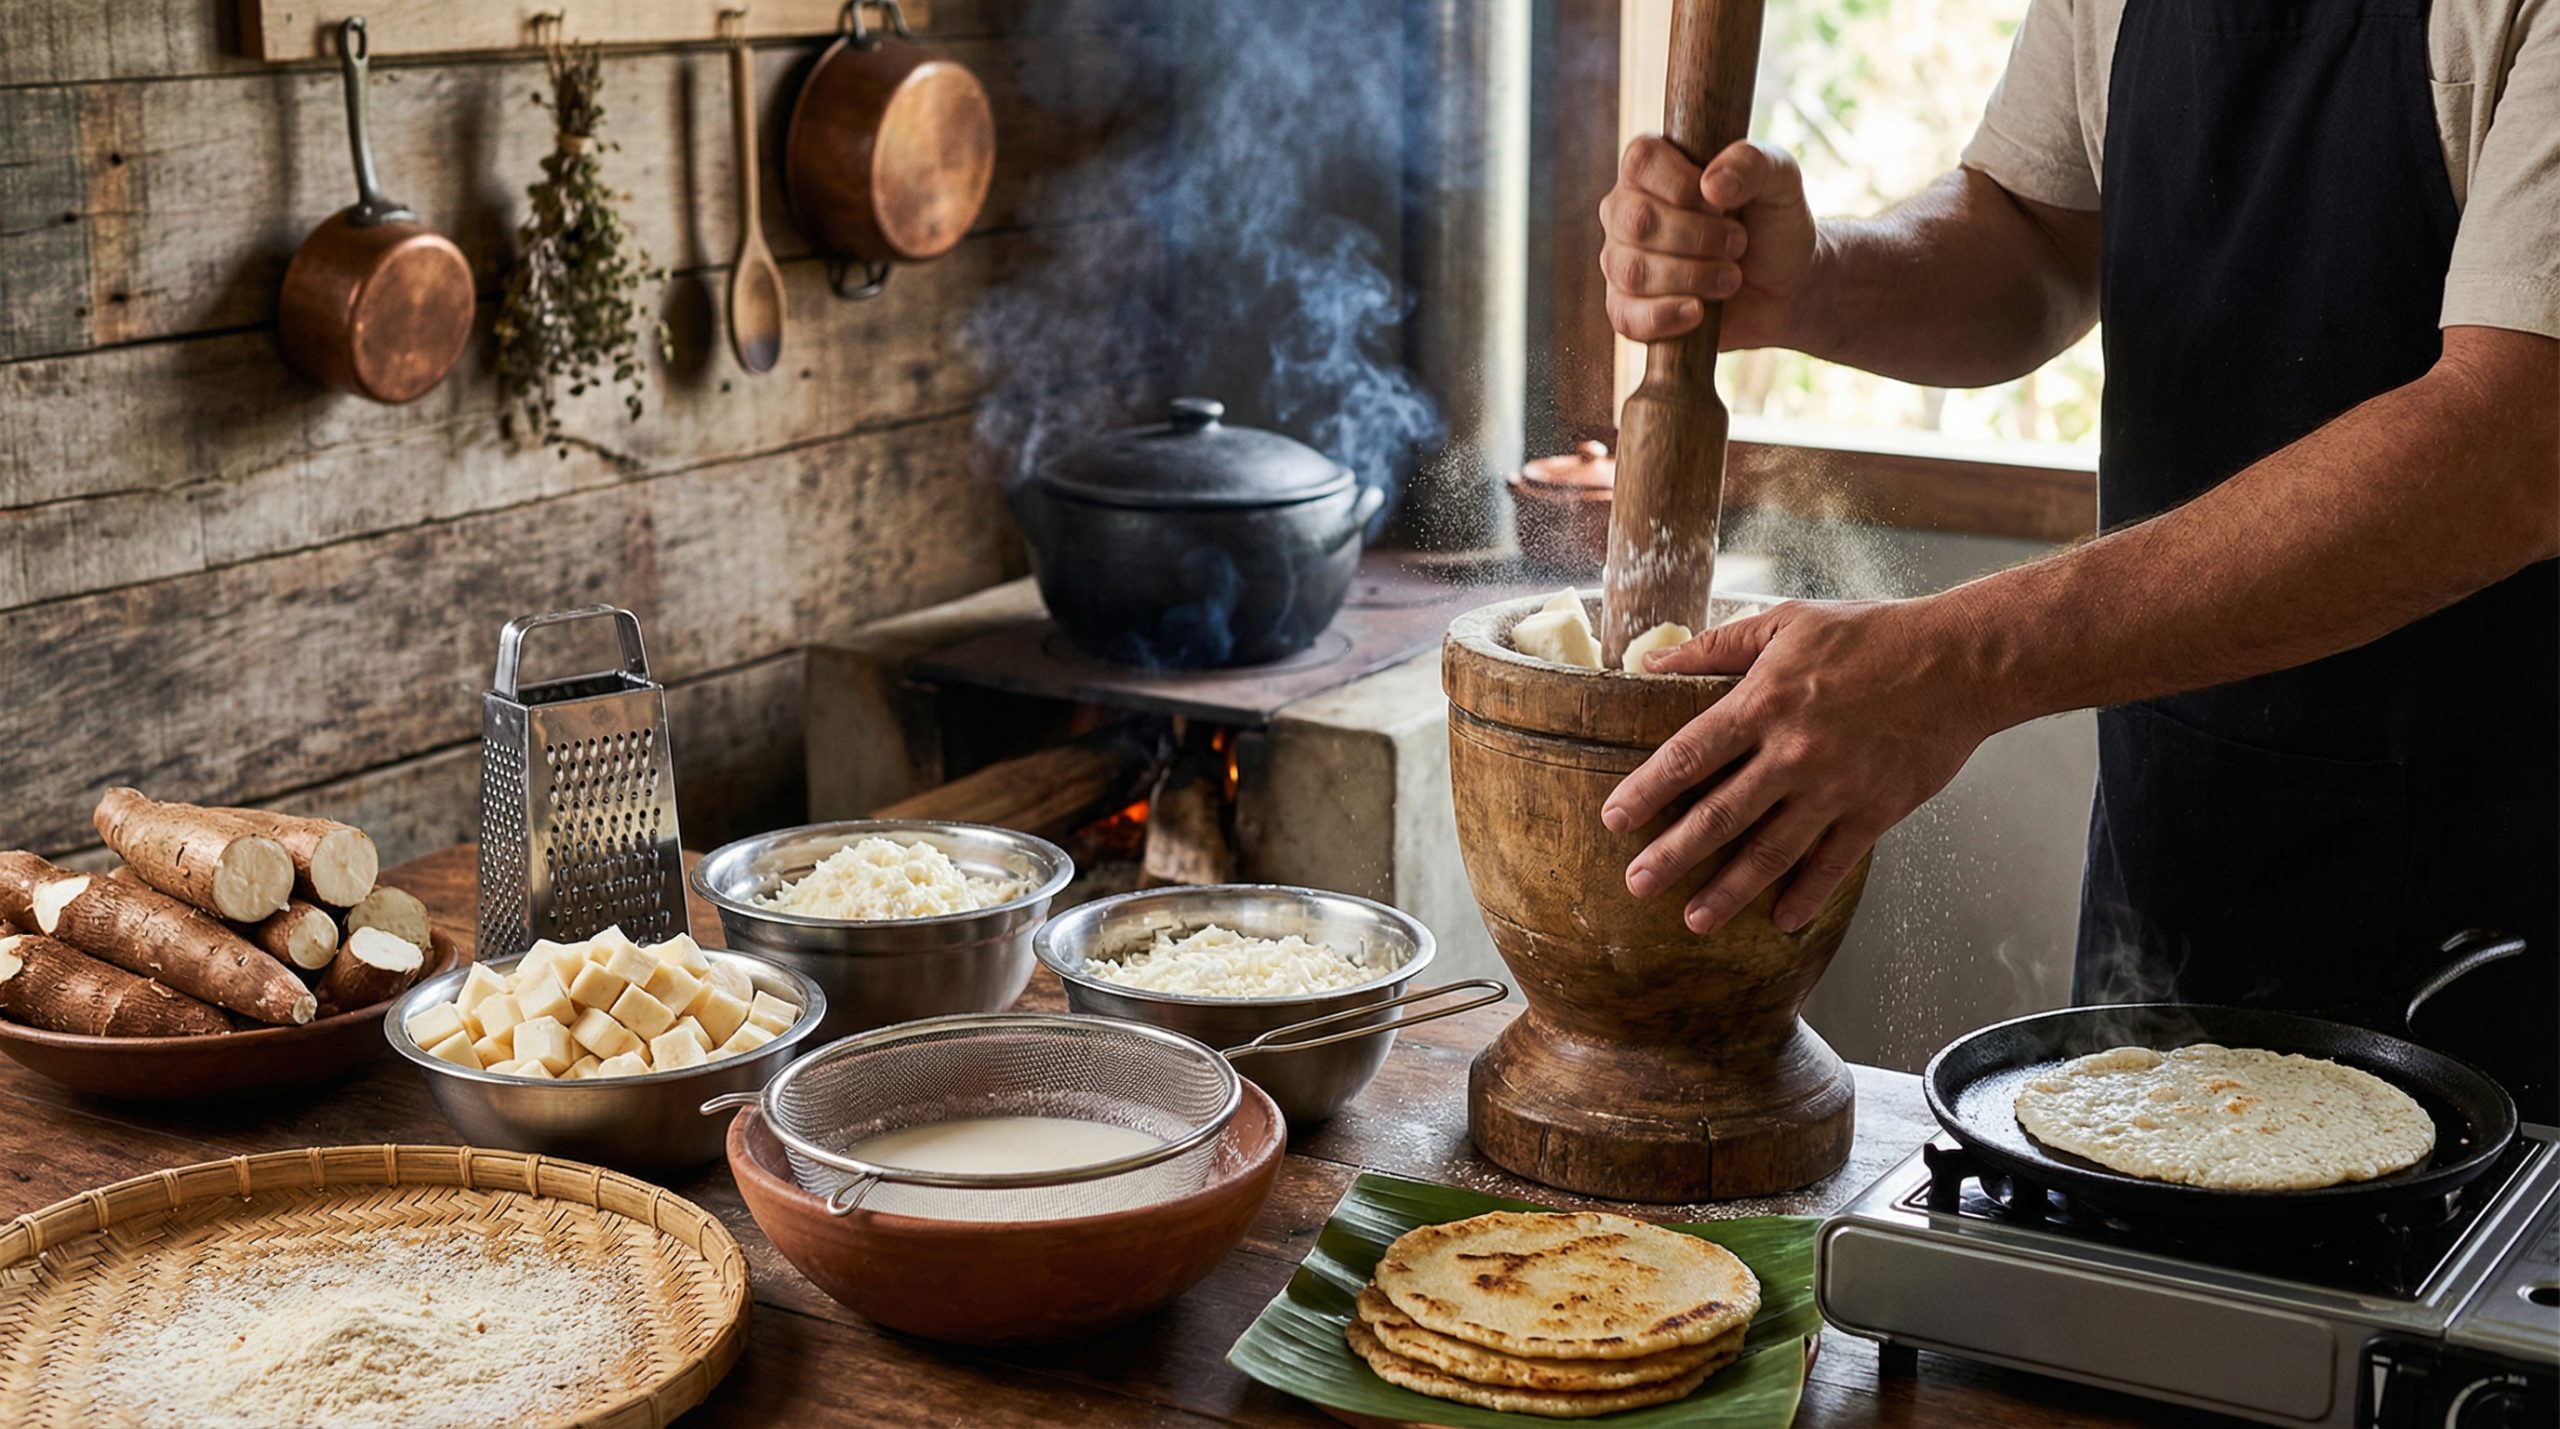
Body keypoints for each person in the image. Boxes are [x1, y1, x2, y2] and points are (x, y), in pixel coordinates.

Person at [1594, 0, 2557, 1062]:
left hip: (2501, 893)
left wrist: (1956, 663)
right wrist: (1818, 275)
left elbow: (2515, 442)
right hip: (2182, 835)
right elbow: (2037, 230)